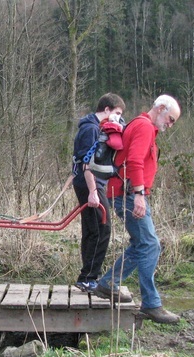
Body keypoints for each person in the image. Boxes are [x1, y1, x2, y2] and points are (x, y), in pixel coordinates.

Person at [93, 94, 181, 324]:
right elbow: (134, 162)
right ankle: (151, 304)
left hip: (126, 193)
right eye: (170, 119)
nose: (170, 125)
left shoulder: (142, 127)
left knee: (142, 244)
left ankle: (108, 283)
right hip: (129, 194)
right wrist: (139, 195)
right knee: (150, 244)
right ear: (160, 108)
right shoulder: (143, 126)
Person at [72, 93, 126, 293]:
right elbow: (86, 162)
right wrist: (93, 192)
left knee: (92, 229)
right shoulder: (92, 129)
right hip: (90, 184)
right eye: (117, 113)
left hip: (89, 183)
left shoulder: (93, 127)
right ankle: (88, 278)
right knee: (101, 229)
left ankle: (87, 276)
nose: (119, 118)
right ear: (106, 110)